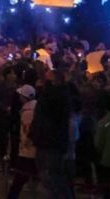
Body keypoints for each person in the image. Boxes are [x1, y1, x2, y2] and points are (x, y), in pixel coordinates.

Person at [31, 70, 72, 199]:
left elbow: (53, 113)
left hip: (52, 141)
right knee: (46, 176)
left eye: (48, 79)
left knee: (54, 176)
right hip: (45, 139)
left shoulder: (58, 96)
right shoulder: (48, 96)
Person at [7, 85, 37, 199]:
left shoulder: (27, 112)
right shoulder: (36, 107)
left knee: (18, 180)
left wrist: (25, 145)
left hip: (27, 151)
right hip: (35, 150)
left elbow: (27, 131)